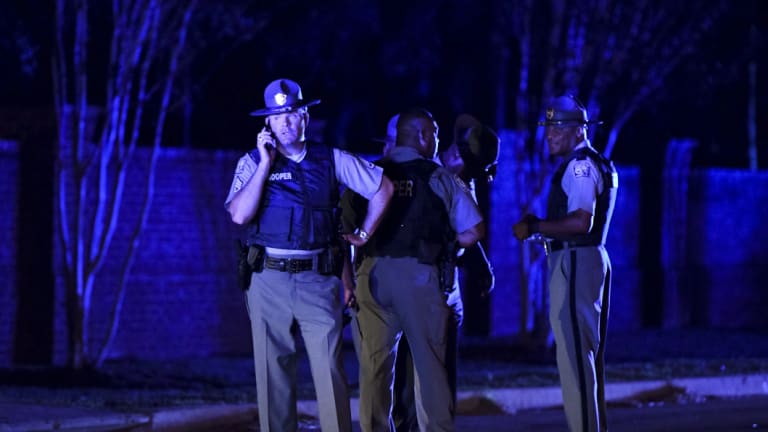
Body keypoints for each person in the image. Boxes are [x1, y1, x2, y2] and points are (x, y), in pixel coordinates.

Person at [225, 78, 393, 432]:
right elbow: (239, 215)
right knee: (273, 375)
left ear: (306, 117)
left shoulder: (331, 159)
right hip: (267, 279)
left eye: (292, 114)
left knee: (329, 371)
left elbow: (383, 187)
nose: (285, 123)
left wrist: (362, 233)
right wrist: (264, 165)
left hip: (318, 280)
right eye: (277, 116)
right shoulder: (252, 161)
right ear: (267, 124)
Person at [350, 108, 485, 432]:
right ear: (422, 135)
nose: (438, 140)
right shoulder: (438, 176)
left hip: (372, 276)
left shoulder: (369, 172)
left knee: (375, 368)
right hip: (420, 278)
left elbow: (346, 224)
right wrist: (445, 240)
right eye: (435, 132)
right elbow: (474, 231)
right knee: (430, 367)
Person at [512, 95, 618, 432]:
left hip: (575, 261)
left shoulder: (580, 166)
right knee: (585, 361)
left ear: (578, 130)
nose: (550, 135)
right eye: (548, 127)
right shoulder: (592, 162)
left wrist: (536, 227)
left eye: (558, 127)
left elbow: (580, 222)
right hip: (584, 259)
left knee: (575, 362)